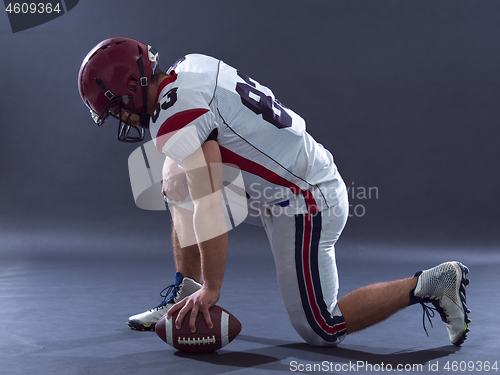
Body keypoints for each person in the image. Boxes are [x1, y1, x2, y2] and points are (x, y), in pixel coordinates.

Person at [78, 37, 471, 347]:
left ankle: (434, 283)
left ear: (133, 85)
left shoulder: (175, 117)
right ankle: (186, 290)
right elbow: (204, 153)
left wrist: (215, 289)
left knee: (322, 328)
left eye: (116, 108)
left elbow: (210, 204)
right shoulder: (187, 66)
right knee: (175, 179)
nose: (121, 118)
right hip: (275, 183)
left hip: (304, 198)